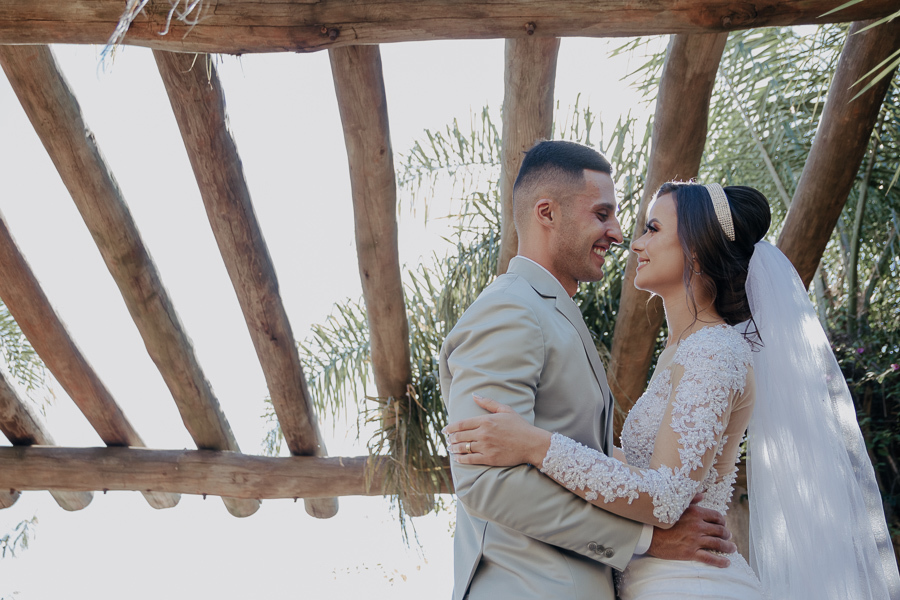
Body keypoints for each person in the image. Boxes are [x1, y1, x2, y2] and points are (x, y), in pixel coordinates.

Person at [446, 181, 900, 599]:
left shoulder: (715, 352)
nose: (634, 242)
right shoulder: (681, 351)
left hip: (690, 583)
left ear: (697, 251)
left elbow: (664, 497)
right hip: (654, 577)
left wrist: (535, 444)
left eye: (652, 228)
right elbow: (644, 467)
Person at [440, 142, 738, 600]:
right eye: (603, 214)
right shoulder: (508, 311)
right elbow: (485, 482)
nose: (619, 234)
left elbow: (586, 454)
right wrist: (647, 540)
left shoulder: (552, 314)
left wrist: (541, 445)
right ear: (547, 213)